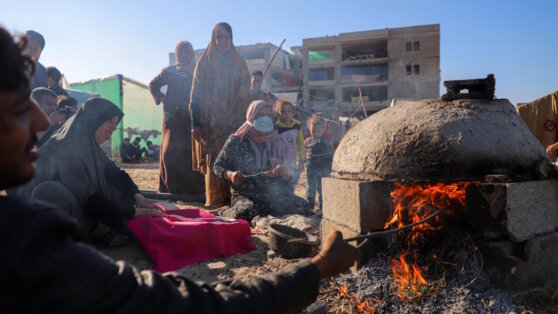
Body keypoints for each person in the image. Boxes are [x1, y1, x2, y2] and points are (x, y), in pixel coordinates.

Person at [0, 26, 358, 312]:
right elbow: (175, 302)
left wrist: (138, 199)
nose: (39, 120)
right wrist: (318, 268)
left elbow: (114, 175)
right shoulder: (31, 229)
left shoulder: (72, 166)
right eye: (19, 106)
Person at [13, 96, 158, 247]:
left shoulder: (90, 145)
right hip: (40, 211)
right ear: (95, 120)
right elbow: (89, 199)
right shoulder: (67, 146)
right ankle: (95, 229)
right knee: (51, 191)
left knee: (114, 187)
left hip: (78, 201)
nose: (114, 128)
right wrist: (133, 212)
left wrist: (137, 195)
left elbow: (115, 172)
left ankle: (95, 226)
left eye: (115, 125)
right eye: (110, 122)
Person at [213, 100, 310, 222]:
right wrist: (231, 175)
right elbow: (218, 165)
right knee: (246, 213)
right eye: (260, 115)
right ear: (251, 116)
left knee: (303, 207)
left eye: (268, 115)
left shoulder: (279, 141)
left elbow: (293, 176)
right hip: (247, 194)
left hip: (274, 194)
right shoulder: (237, 141)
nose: (265, 118)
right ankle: (224, 211)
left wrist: (284, 173)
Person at [190, 22, 251, 208]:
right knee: (214, 166)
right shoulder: (204, 62)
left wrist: (245, 122)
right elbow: (195, 95)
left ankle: (235, 207)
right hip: (211, 127)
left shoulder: (239, 63)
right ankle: (214, 205)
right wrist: (196, 123)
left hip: (235, 127)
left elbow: (246, 94)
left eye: (226, 37)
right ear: (213, 39)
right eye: (219, 37)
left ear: (231, 39)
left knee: (234, 165)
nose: (222, 41)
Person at [149, 41, 205, 195]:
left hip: (193, 118)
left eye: (187, 52)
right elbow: (153, 85)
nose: (185, 55)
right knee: (170, 151)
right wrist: (163, 99)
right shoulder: (170, 71)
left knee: (191, 151)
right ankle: (170, 190)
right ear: (177, 54)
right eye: (181, 52)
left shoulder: (198, 72)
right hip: (172, 119)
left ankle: (193, 192)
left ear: (192, 54)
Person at [305, 114, 334, 211]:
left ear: (323, 130)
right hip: (311, 169)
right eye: (313, 131)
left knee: (322, 190)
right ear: (309, 129)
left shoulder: (326, 142)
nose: (316, 133)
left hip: (322, 169)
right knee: (310, 189)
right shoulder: (308, 141)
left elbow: (330, 157)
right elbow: (306, 154)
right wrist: (305, 164)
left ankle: (322, 209)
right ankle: (309, 207)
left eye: (318, 131)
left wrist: (328, 169)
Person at [274, 99, 306, 179]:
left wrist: (302, 160)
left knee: (292, 181)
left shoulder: (297, 126)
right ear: (278, 114)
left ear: (293, 113)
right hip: (280, 162)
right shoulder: (276, 128)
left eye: (289, 111)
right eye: (283, 111)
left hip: (293, 161)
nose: (286, 114)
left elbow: (301, 144)